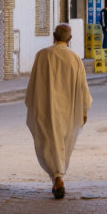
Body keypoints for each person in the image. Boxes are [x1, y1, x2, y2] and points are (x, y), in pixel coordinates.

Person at [25, 24, 93, 199]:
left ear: (53, 36)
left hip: (46, 109)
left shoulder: (42, 55)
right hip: (68, 112)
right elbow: (82, 87)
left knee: (49, 142)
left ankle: (57, 176)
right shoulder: (75, 58)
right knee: (62, 144)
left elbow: (33, 85)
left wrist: (33, 104)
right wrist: (84, 109)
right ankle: (58, 176)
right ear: (69, 40)